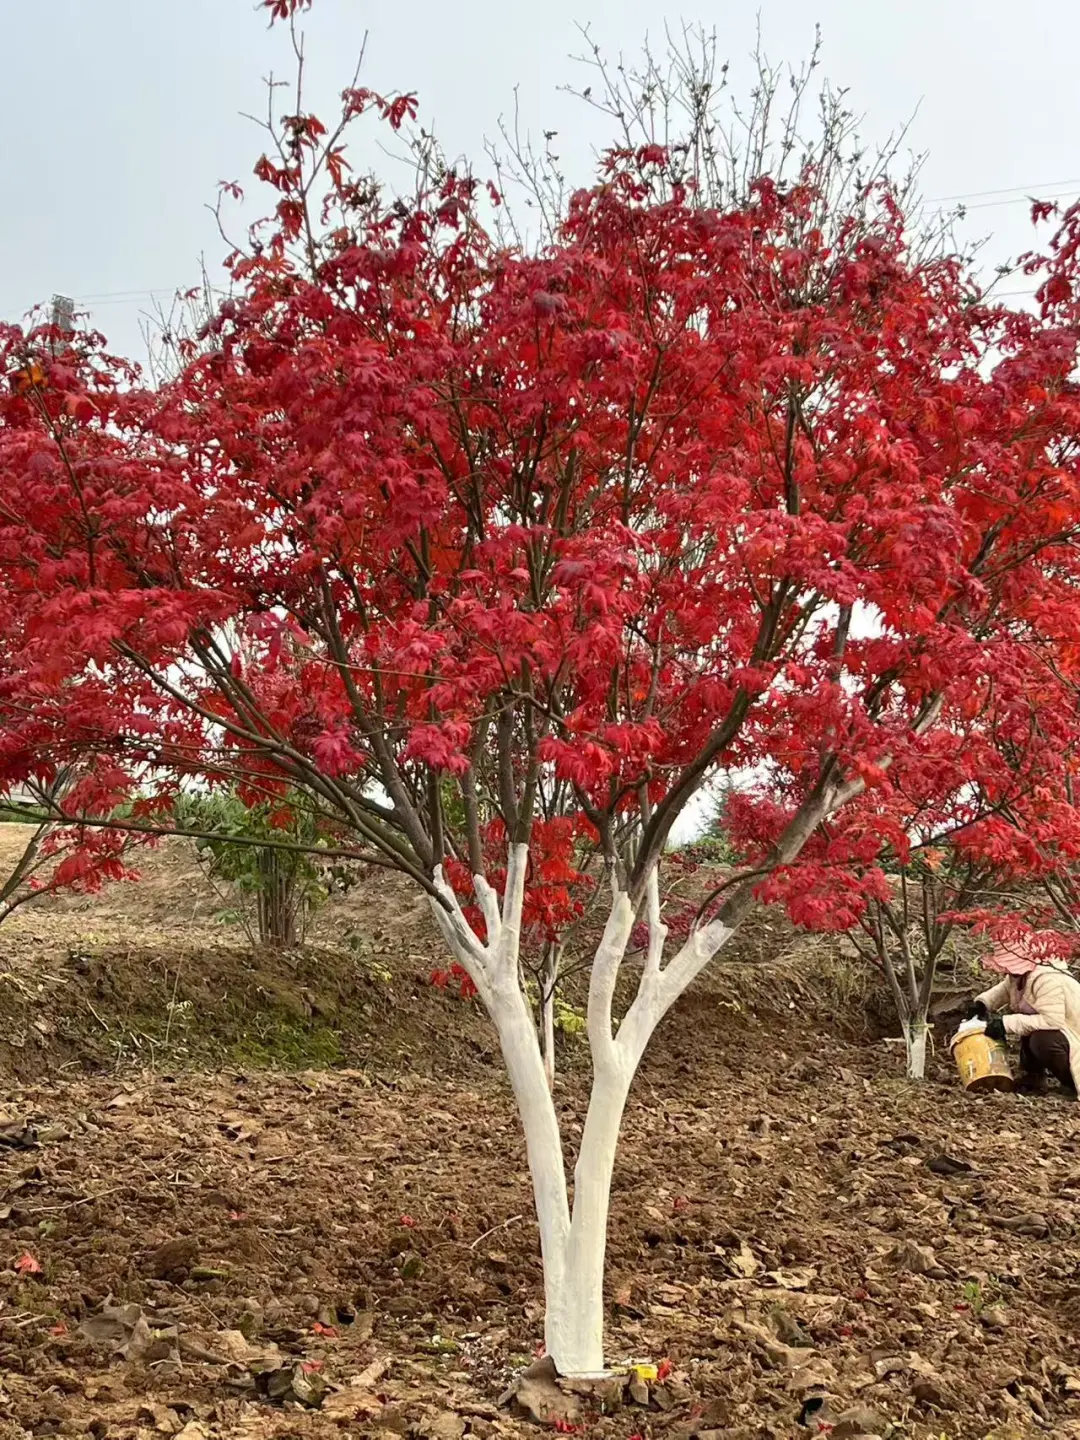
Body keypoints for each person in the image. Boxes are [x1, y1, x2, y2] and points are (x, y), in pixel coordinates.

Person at [965, 940, 1080, 1097]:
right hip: (1061, 1033)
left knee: (1041, 1039)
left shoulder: (1048, 980)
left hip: (1073, 1035)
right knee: (1028, 1027)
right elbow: (1005, 990)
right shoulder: (1020, 976)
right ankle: (1033, 1079)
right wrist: (983, 1003)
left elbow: (1052, 1021)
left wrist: (1005, 1023)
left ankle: (1071, 1083)